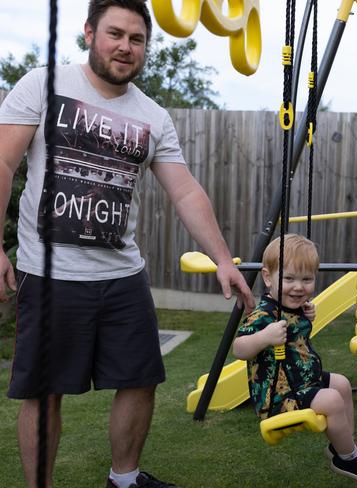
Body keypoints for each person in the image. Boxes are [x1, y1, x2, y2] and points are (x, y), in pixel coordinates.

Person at [0, 1, 255, 487]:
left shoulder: (152, 115)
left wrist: (223, 258)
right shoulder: (43, 85)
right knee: (44, 392)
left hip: (122, 274)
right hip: (52, 274)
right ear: (89, 33)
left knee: (140, 378)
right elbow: (3, 163)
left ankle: (125, 479)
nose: (125, 47)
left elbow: (183, 189)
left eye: (136, 40)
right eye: (115, 34)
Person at [233, 234, 357, 485]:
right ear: (267, 277)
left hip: (302, 380)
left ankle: (341, 446)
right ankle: (349, 456)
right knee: (331, 398)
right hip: (280, 396)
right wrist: (263, 337)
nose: (299, 287)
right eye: (289, 279)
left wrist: (307, 314)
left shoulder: (295, 307)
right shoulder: (263, 315)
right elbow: (239, 349)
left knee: (341, 384)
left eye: (307, 279)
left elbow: (296, 331)